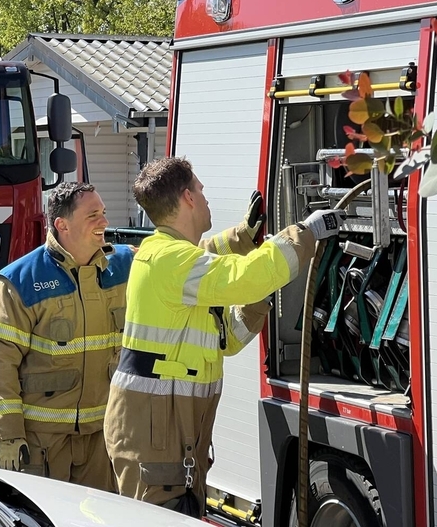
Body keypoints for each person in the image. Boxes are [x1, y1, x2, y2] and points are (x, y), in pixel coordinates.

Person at [104, 157, 345, 516]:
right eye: (200, 190)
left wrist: (243, 240)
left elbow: (227, 338)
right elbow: (240, 276)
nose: (205, 197)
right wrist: (305, 233)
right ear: (187, 198)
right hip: (158, 441)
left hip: (167, 434)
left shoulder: (169, 257)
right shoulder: (168, 261)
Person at [0, 182, 133, 492]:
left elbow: (176, 259)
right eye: (93, 215)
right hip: (42, 444)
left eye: (104, 213)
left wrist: (238, 240)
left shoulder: (125, 266)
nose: (104, 222)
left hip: (102, 440)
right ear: (62, 225)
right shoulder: (20, 281)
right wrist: (9, 435)